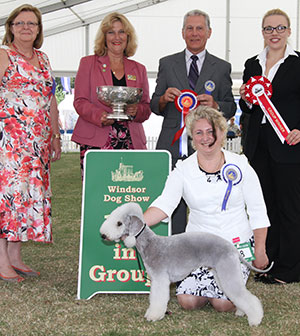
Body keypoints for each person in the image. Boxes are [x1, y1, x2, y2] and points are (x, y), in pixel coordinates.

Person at [144, 105, 270, 313]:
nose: (206, 138)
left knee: (223, 304)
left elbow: (258, 211)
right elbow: (164, 204)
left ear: (222, 132)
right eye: (199, 132)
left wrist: (260, 249)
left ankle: (230, 290)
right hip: (195, 247)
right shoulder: (183, 169)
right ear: (192, 136)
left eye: (211, 131)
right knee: (188, 302)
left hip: (234, 243)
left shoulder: (241, 165)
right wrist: (135, 223)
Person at [150, 9, 236, 234]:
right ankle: (177, 252)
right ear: (182, 32)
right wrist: (164, 99)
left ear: (209, 32)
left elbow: (230, 106)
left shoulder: (222, 67)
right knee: (174, 201)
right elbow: (153, 104)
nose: (194, 33)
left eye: (200, 28)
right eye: (190, 28)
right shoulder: (167, 64)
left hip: (207, 145)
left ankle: (206, 251)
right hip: (172, 142)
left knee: (207, 202)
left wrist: (215, 104)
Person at [0, 4, 61, 282]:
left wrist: (55, 135)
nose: (26, 27)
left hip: (37, 143)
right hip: (9, 142)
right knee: (8, 198)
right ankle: (2, 261)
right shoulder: (3, 55)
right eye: (20, 23)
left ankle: (15, 257)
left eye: (32, 24)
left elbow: (50, 99)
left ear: (38, 30)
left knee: (26, 198)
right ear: (10, 27)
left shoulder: (44, 58)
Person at [239, 8, 300, 284]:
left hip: (288, 144)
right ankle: (269, 263)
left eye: (279, 28)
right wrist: (246, 99)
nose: (274, 33)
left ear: (289, 31)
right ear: (262, 32)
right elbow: (247, 107)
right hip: (258, 145)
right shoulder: (251, 63)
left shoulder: (298, 64)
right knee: (265, 207)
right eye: (268, 28)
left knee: (290, 207)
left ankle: (291, 268)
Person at [71, 12, 151, 176]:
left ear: (128, 37)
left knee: (130, 192)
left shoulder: (139, 69)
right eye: (111, 32)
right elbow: (80, 101)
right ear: (104, 36)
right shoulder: (88, 63)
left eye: (121, 32)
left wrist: (137, 111)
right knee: (97, 194)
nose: (117, 37)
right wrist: (99, 115)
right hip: (95, 139)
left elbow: (146, 107)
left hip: (131, 141)